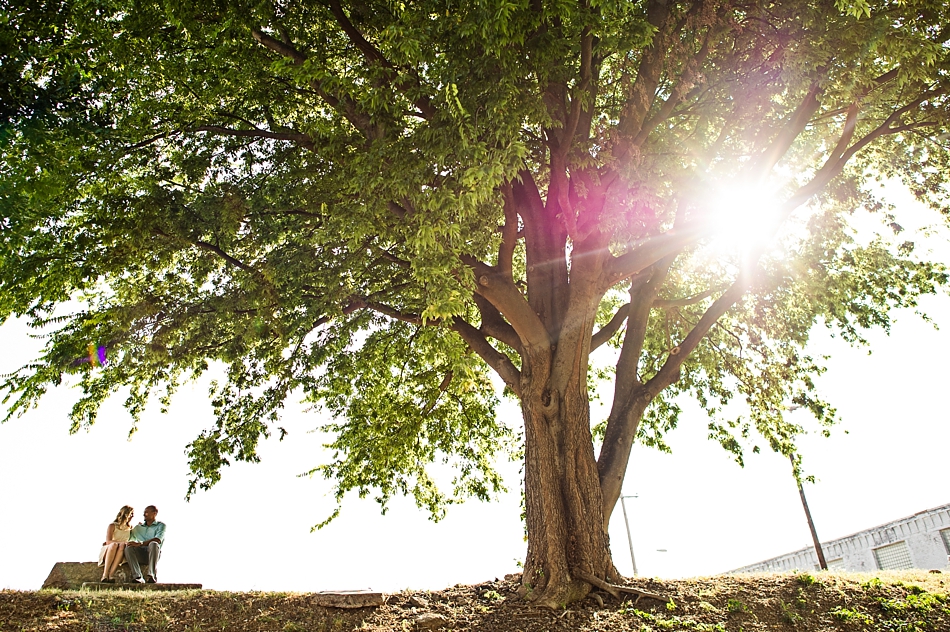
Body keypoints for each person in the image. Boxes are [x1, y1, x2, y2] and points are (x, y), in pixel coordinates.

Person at [124, 505, 166, 583]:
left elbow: (158, 540)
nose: (144, 514)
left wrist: (141, 544)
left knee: (153, 544)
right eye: (144, 513)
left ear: (154, 513)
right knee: (128, 548)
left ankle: (151, 575)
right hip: (140, 554)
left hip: (153, 554)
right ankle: (137, 576)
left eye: (146, 512)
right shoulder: (137, 528)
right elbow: (129, 540)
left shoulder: (161, 526)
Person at [98, 505, 133, 583]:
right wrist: (122, 542)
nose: (132, 516)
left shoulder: (130, 528)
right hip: (110, 549)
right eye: (131, 514)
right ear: (126, 514)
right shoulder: (112, 525)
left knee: (121, 546)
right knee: (115, 545)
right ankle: (105, 574)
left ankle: (111, 574)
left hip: (120, 550)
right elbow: (108, 541)